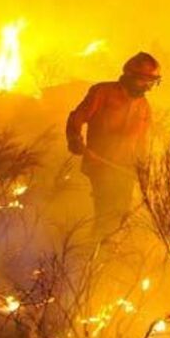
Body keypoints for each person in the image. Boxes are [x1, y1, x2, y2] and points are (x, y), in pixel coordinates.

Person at [66, 52, 160, 236]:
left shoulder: (144, 107)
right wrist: (74, 138)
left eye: (151, 83)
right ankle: (92, 247)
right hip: (100, 164)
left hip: (125, 170)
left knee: (120, 216)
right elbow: (77, 117)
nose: (148, 87)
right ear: (131, 76)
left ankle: (106, 248)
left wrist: (143, 169)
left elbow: (142, 143)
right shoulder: (103, 92)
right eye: (145, 81)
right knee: (106, 214)